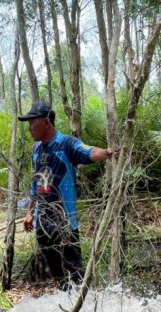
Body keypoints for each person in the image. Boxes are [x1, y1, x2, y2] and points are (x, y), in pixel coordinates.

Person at [19, 101, 116, 286]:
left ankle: (80, 307)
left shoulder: (66, 144)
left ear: (46, 122)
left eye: (33, 122)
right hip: (43, 222)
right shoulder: (36, 149)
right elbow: (36, 182)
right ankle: (65, 305)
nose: (30, 128)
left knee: (74, 274)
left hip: (65, 223)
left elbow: (87, 151)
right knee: (57, 274)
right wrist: (30, 211)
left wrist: (106, 153)